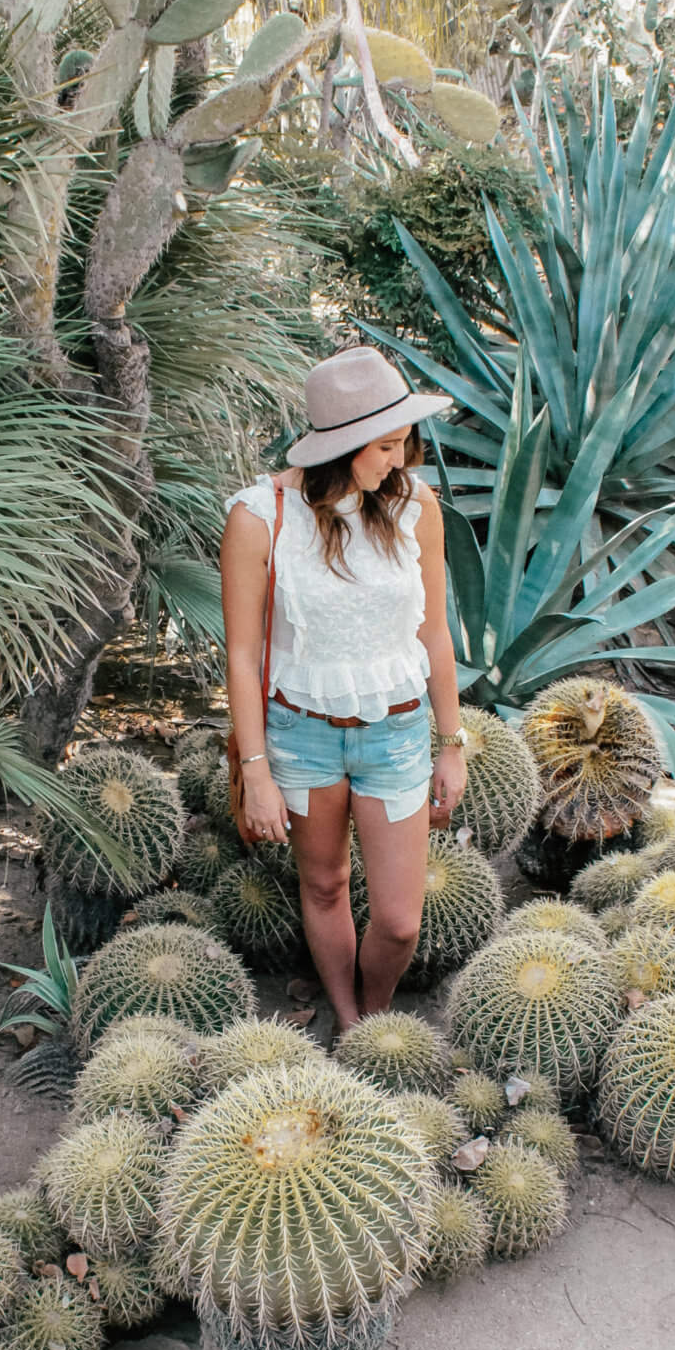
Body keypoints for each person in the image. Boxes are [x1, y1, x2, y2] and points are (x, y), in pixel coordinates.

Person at [220, 345, 469, 1032]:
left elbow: (435, 633)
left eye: (403, 442)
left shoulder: (416, 507)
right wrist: (256, 770)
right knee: (324, 885)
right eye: (387, 446)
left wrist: (451, 744)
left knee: (397, 921)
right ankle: (354, 1025)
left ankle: (376, 1012)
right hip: (300, 735)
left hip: (395, 733)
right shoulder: (259, 516)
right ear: (344, 445)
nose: (402, 459)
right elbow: (241, 656)